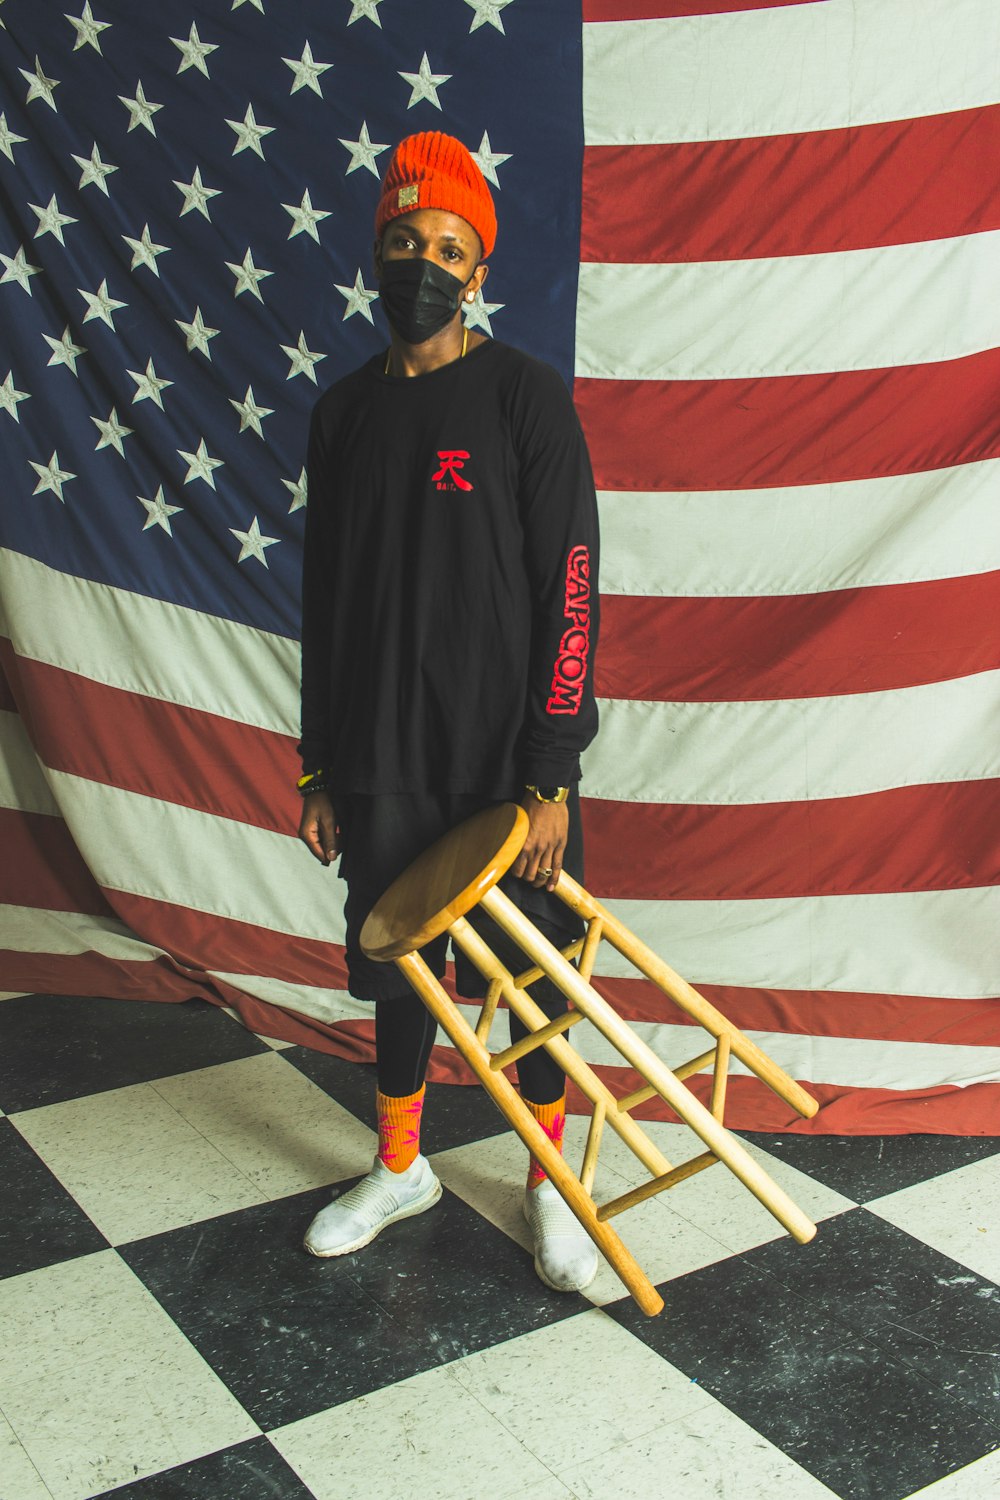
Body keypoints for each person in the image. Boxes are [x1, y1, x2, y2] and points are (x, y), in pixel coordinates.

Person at [296, 131, 601, 1293]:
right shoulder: (342, 415)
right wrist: (321, 763)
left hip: (501, 760)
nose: (424, 261)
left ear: (477, 271)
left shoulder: (524, 397)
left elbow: (570, 584)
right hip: (379, 752)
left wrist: (550, 769)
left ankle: (547, 1187)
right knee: (396, 968)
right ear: (376, 253)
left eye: (450, 247)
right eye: (404, 241)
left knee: (527, 982)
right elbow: (324, 600)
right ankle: (402, 1165)